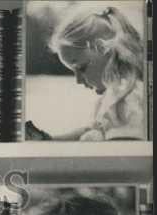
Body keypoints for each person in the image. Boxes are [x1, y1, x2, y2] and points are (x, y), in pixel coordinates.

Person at [31, 5, 144, 141]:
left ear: (105, 50)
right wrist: (48, 141)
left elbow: (125, 158)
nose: (78, 80)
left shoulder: (126, 101)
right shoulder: (117, 97)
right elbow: (93, 129)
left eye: (82, 68)